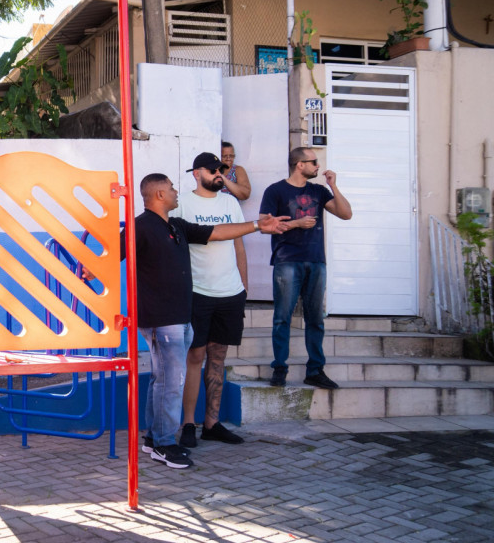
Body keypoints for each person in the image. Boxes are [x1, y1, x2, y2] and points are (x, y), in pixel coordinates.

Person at [108, 173, 285, 470]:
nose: (177, 192)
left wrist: (256, 225)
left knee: (161, 380)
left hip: (180, 318)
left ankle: (154, 438)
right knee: (171, 383)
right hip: (161, 321)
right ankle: (165, 444)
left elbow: (215, 232)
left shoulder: (175, 225)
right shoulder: (141, 226)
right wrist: (88, 273)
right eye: (172, 188)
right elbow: (114, 253)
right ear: (160, 194)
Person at [260, 148, 353, 389]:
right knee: (282, 317)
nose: (318, 166)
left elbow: (346, 214)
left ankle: (315, 370)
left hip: (315, 260)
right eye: (313, 162)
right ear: (299, 165)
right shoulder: (275, 190)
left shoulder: (319, 191)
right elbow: (264, 225)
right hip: (287, 260)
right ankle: (279, 368)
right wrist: (296, 224)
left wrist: (333, 186)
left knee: (315, 319)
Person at [175, 155, 247, 448]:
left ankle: (212, 424)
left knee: (218, 358)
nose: (220, 174)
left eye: (223, 170)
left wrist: (244, 285)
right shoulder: (181, 204)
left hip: (230, 292)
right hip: (198, 292)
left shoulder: (230, 203)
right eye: (213, 170)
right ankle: (188, 424)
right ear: (197, 173)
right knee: (195, 357)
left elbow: (239, 242)